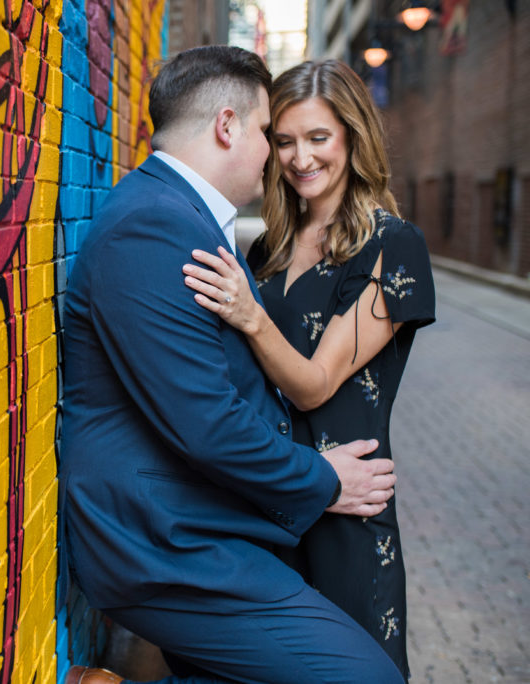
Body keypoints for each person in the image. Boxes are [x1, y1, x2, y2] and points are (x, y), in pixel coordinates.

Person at [59, 46, 404, 684]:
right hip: (167, 546)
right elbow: (207, 424)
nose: (278, 156)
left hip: (206, 524)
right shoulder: (156, 228)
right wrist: (325, 479)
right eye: (270, 135)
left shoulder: (182, 218)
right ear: (227, 126)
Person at [181, 59, 435, 679]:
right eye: (285, 140)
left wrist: (250, 314)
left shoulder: (391, 245)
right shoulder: (266, 248)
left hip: (347, 507)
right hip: (270, 499)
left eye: (318, 138)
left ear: (352, 136)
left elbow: (316, 382)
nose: (300, 159)